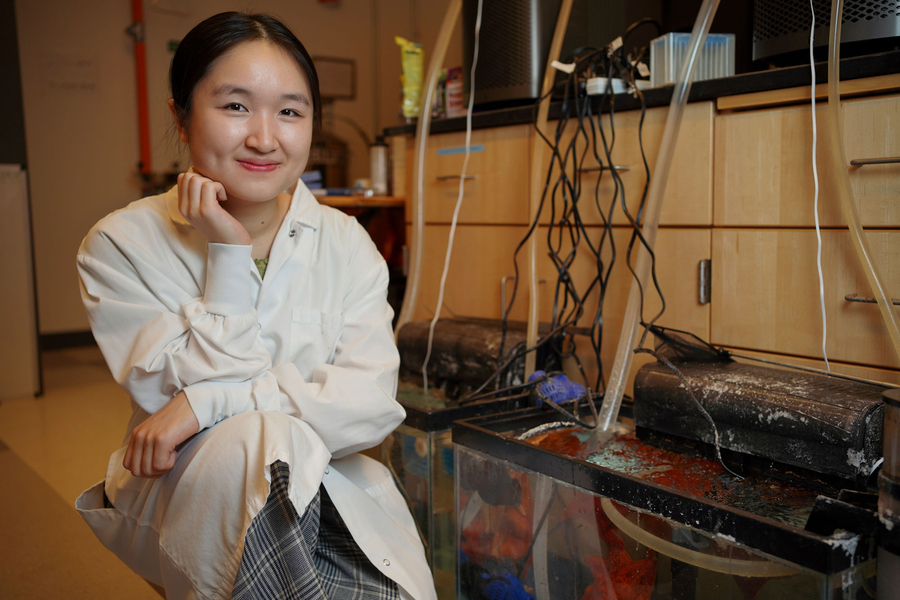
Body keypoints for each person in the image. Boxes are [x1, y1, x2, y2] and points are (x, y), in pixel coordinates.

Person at [74, 12, 434, 600]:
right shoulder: (121, 245)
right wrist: (227, 252)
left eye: (290, 111)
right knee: (260, 441)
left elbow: (370, 406)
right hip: (185, 490)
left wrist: (215, 399)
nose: (266, 138)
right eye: (236, 106)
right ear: (181, 118)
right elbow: (171, 411)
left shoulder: (345, 242)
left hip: (333, 483)